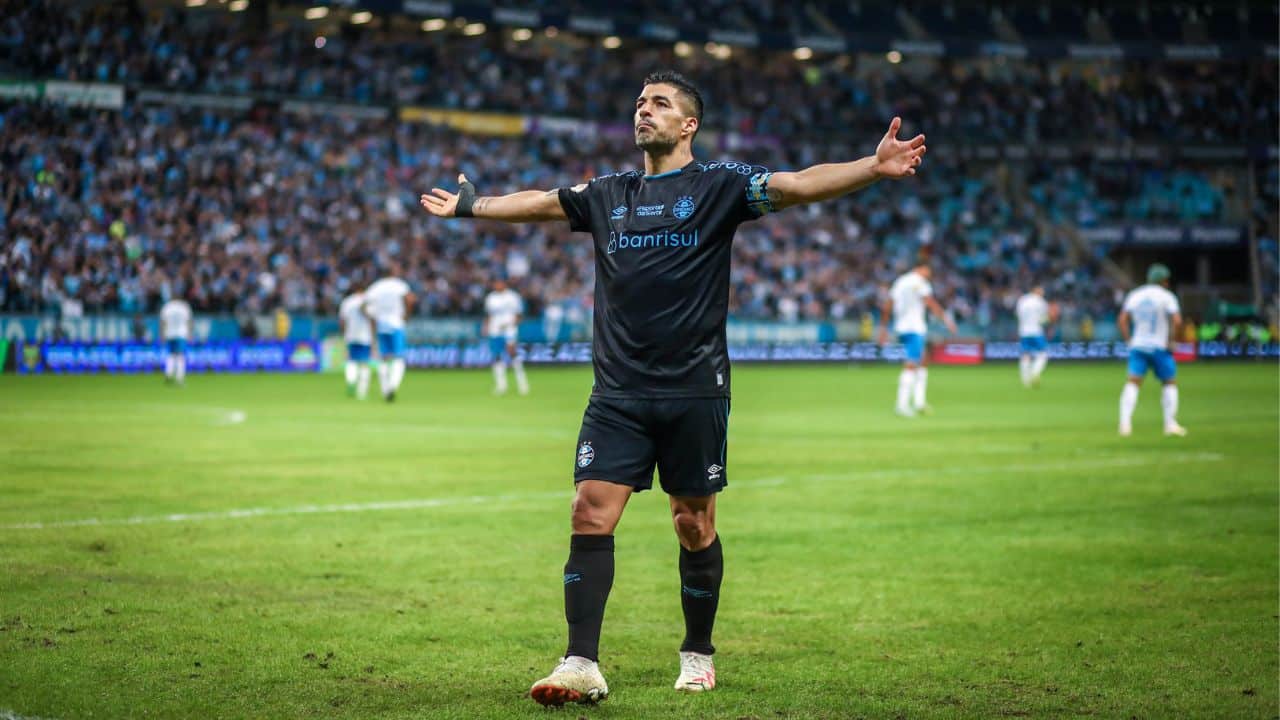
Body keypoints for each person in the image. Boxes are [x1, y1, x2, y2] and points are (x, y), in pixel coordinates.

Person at [420, 69, 927, 707]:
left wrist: (870, 168)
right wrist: (474, 206)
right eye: (639, 101)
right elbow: (545, 202)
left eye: (658, 103)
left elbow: (797, 185)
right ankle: (580, 662)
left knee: (692, 523)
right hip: (618, 392)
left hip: (694, 389)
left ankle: (698, 652)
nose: (643, 110)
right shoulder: (609, 193)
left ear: (688, 124)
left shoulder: (719, 186)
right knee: (588, 512)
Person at [1117, 263, 1187, 437]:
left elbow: (1122, 320)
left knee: (1133, 382)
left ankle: (1125, 424)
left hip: (1138, 345)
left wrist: (1128, 340)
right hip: (1159, 346)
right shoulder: (1167, 297)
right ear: (1163, 280)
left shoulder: (1135, 295)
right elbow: (1177, 322)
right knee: (1169, 382)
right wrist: (1173, 341)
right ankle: (1170, 424)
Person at [878, 264, 955, 417]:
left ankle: (919, 402)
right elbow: (929, 302)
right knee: (911, 364)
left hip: (901, 327)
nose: (928, 274)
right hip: (914, 328)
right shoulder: (920, 283)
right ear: (919, 268)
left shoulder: (899, 282)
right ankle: (902, 405)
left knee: (923, 359)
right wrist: (946, 319)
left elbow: (888, 305)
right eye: (927, 270)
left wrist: (883, 328)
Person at [363, 268, 415, 402]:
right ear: (393, 274)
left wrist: (372, 317)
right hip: (396, 323)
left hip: (381, 324)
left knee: (384, 358)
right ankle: (393, 386)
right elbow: (410, 298)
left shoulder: (376, 287)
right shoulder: (399, 285)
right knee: (398, 358)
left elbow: (363, 305)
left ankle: (385, 389)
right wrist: (407, 314)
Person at [484, 278, 529, 395]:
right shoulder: (490, 298)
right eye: (495, 283)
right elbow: (489, 315)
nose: (496, 285)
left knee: (512, 353)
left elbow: (519, 315)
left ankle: (523, 384)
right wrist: (486, 327)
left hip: (509, 329)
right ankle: (501, 386)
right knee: (497, 356)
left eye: (498, 282)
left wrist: (510, 325)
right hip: (495, 330)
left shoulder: (513, 297)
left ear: (504, 284)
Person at [1015, 285, 1057, 387]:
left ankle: (1025, 381)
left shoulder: (1022, 300)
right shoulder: (1040, 302)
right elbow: (1047, 317)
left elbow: (1017, 315)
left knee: (1025, 355)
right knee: (1043, 354)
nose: (1043, 293)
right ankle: (1035, 373)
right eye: (1042, 291)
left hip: (1024, 331)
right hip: (1036, 331)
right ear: (1036, 291)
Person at [339, 285, 374, 399]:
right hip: (365, 335)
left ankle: (350, 381)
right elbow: (372, 318)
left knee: (351, 361)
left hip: (351, 334)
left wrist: (345, 334)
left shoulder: (347, 302)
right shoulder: (367, 300)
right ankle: (362, 392)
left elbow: (342, 320)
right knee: (364, 364)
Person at [159, 295, 192, 385]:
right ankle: (179, 378)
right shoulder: (184, 307)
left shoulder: (167, 307)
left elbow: (163, 321)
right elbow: (189, 321)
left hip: (169, 334)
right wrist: (190, 334)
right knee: (180, 355)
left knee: (171, 354)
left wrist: (162, 335)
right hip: (181, 334)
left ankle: (168, 374)